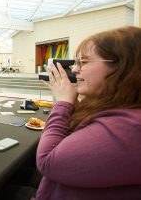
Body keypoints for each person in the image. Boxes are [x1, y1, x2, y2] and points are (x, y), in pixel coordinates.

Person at [35, 26, 141, 199]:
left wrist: (63, 102)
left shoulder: (128, 129)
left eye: (83, 62)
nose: (75, 70)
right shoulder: (119, 108)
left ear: (121, 67)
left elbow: (47, 161)